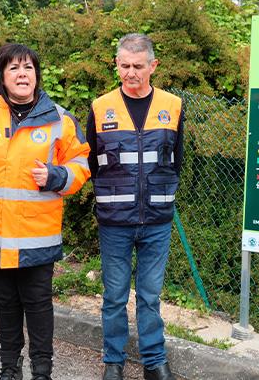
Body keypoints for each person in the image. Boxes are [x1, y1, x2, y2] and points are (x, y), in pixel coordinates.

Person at [0, 43, 91, 380]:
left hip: (37, 237)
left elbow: (82, 163)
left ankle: (42, 371)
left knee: (39, 306)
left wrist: (57, 176)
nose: (22, 73)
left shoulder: (60, 118)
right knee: (6, 305)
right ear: (1, 76)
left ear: (37, 75)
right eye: (14, 68)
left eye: (28, 67)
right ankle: (9, 369)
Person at [86, 34, 184, 380]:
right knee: (114, 296)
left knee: (150, 296)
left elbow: (177, 159)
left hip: (157, 219)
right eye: (124, 66)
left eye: (138, 67)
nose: (131, 73)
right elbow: (91, 163)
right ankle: (113, 361)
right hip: (115, 220)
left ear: (153, 66)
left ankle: (154, 361)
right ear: (117, 65)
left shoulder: (173, 105)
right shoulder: (100, 107)